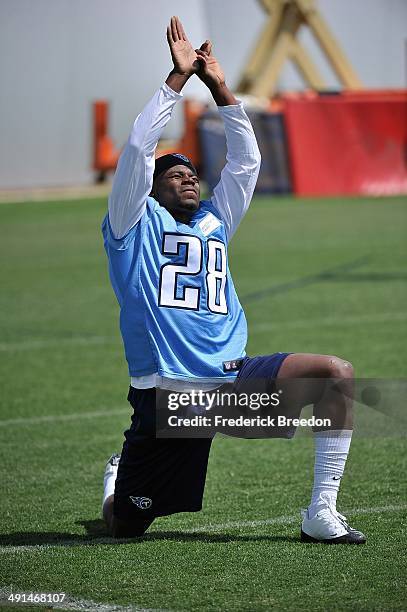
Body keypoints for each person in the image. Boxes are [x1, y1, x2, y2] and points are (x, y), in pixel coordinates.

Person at [101, 16, 365, 544]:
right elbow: (136, 150)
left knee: (335, 373)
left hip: (230, 380)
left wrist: (220, 86)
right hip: (171, 397)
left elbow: (246, 162)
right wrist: (176, 81)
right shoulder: (132, 223)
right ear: (150, 191)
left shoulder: (216, 221)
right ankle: (114, 483)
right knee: (125, 526)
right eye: (175, 174)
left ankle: (321, 510)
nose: (189, 177)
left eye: (191, 171)